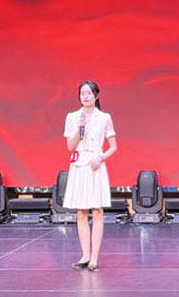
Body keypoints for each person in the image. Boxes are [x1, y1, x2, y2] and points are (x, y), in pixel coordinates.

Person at [62, 80, 118, 272]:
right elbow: (70, 147)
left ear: (96, 95)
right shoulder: (72, 117)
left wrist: (100, 157)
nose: (85, 96)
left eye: (89, 93)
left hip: (96, 164)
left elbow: (113, 146)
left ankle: (94, 258)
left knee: (97, 211)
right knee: (81, 212)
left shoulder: (104, 118)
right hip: (79, 164)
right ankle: (85, 255)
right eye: (82, 93)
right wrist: (79, 130)